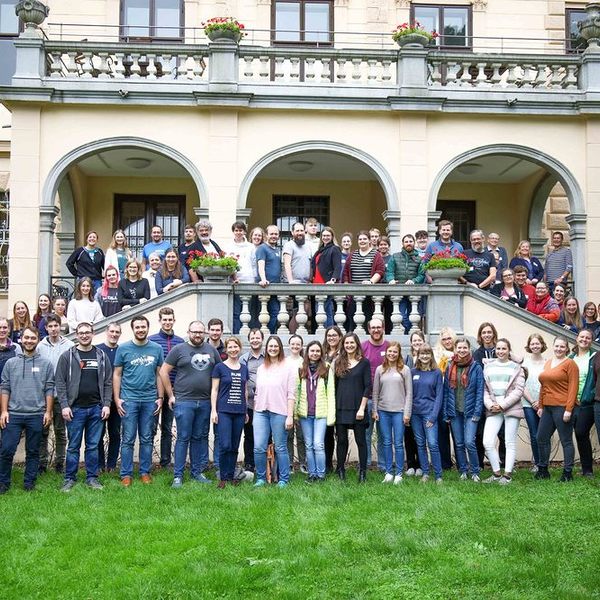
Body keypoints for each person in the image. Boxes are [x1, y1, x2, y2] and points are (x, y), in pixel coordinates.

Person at [160, 320, 221, 487]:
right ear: (188, 332)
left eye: (200, 332)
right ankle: (177, 476)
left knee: (198, 438)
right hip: (184, 401)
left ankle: (196, 472)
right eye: (194, 332)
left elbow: (220, 372)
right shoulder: (179, 349)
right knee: (183, 437)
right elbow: (163, 371)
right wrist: (170, 395)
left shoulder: (211, 350)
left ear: (205, 333)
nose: (197, 335)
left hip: (204, 402)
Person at [55, 322, 112, 491]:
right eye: (81, 333)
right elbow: (60, 382)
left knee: (93, 445)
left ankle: (92, 478)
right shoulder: (68, 356)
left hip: (96, 408)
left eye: (87, 332)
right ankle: (69, 479)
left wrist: (107, 404)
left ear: (93, 333)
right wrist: (64, 405)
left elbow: (108, 382)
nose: (84, 335)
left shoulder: (101, 355)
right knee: (73, 446)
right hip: (75, 409)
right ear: (76, 334)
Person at [0, 326, 54, 494]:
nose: (29, 341)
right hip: (13, 414)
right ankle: (3, 483)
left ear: (38, 340)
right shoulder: (11, 363)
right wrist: (3, 411)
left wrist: (48, 412)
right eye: (26, 338)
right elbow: (5, 387)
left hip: (36, 414)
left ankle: (29, 483)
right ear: (20, 339)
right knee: (7, 449)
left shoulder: (45, 364)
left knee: (33, 451)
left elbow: (49, 389)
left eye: (33, 338)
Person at [113, 316, 164, 486]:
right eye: (137, 327)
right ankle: (126, 474)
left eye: (143, 327)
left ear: (148, 328)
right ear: (132, 328)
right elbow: (117, 374)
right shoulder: (123, 348)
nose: (140, 329)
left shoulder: (156, 348)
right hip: (129, 399)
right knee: (127, 438)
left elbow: (159, 374)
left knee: (147, 438)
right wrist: (117, 398)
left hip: (150, 400)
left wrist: (160, 397)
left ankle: (145, 472)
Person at [253, 335, 296, 488]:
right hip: (260, 412)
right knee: (259, 446)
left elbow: (291, 394)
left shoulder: (288, 368)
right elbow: (258, 392)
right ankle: (261, 478)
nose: (272, 349)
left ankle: (283, 479)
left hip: (280, 412)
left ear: (280, 348)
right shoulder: (261, 368)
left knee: (280, 447)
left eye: (275, 346)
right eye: (270, 346)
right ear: (266, 348)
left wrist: (290, 416)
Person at [482, 339, 525, 485]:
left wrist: (503, 405)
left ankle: (507, 476)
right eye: (498, 349)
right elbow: (485, 390)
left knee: (509, 442)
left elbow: (519, 391)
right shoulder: (488, 367)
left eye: (504, 349)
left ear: (509, 350)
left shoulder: (517, 368)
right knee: (487, 441)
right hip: (493, 408)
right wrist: (490, 404)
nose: (500, 351)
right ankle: (496, 473)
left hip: (510, 407)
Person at [535, 336, 578, 481]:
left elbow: (573, 388)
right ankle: (543, 469)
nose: (559, 349)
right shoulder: (548, 363)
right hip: (547, 407)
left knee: (565, 440)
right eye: (557, 346)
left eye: (562, 347)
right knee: (541, 437)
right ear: (553, 346)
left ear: (567, 348)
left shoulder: (570, 364)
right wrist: (541, 405)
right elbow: (544, 386)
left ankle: (567, 473)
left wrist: (569, 409)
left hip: (562, 407)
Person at [37, 314, 74, 474]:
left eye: (55, 326)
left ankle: (60, 464)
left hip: (61, 396)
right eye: (50, 326)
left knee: (60, 431)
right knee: (42, 431)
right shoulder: (40, 346)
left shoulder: (69, 345)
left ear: (60, 326)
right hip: (43, 396)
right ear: (46, 328)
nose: (53, 329)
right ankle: (42, 464)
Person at [443, 337, 484, 482]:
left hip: (471, 410)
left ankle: (475, 471)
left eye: (464, 348)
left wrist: (478, 412)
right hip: (455, 411)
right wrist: (446, 412)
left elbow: (480, 391)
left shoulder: (476, 367)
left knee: (469, 442)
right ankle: (463, 470)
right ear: (455, 349)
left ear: (469, 349)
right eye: (459, 348)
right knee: (459, 443)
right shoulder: (450, 366)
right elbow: (446, 391)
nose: (462, 350)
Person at [210, 337, 249, 488]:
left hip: (239, 411)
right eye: (230, 347)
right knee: (224, 444)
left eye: (235, 346)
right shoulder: (220, 367)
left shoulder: (243, 368)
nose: (233, 349)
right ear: (226, 350)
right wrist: (214, 410)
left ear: (239, 348)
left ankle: (231, 475)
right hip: (224, 411)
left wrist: (245, 410)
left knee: (234, 445)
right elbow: (214, 390)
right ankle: (223, 476)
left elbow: (244, 390)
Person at [372, 342, 412, 484]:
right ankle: (389, 472)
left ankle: (399, 473)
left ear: (399, 353)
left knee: (398, 443)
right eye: (390, 351)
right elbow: (375, 392)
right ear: (386, 352)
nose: (392, 354)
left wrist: (407, 413)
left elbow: (409, 393)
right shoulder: (380, 369)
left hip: (399, 412)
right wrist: (374, 410)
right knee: (387, 442)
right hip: (383, 412)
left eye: (395, 352)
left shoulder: (405, 370)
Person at [149, 307, 184, 470]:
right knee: (150, 428)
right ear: (160, 321)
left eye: (170, 319)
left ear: (174, 320)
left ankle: (165, 462)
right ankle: (146, 462)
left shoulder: (180, 342)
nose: (168, 322)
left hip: (174, 391)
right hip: (154, 392)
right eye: (165, 319)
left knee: (168, 428)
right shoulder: (151, 340)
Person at [295, 341, 335, 483]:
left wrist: (331, 415)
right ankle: (312, 474)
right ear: (307, 353)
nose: (315, 353)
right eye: (312, 351)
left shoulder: (327, 369)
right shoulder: (301, 369)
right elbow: (297, 391)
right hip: (305, 414)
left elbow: (331, 392)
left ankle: (321, 474)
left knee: (318, 444)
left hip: (321, 413)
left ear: (321, 353)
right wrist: (295, 413)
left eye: (318, 351)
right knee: (309, 444)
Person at [334, 332, 371, 483]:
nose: (349, 345)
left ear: (357, 345)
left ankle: (362, 472)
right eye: (346, 343)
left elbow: (367, 386)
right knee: (341, 440)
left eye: (352, 343)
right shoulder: (338, 362)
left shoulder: (364, 362)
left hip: (358, 408)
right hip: (341, 407)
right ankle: (340, 469)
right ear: (343, 345)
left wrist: (362, 408)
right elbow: (335, 386)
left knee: (361, 440)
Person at [410, 343, 444, 484]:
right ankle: (425, 473)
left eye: (427, 353)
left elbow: (439, 396)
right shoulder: (413, 372)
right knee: (420, 443)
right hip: (415, 414)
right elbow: (409, 393)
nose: (424, 356)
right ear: (418, 356)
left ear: (431, 355)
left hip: (429, 414)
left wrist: (433, 416)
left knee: (433, 444)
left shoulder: (436, 373)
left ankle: (438, 475)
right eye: (422, 353)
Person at [342, 230, 385, 330]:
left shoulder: (376, 255)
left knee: (367, 322)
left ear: (369, 240)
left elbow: (380, 271)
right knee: (352, 322)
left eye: (365, 239)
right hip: (354, 295)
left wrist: (371, 282)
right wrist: (346, 285)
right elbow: (345, 273)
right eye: (360, 239)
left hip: (369, 296)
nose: (362, 241)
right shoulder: (352, 255)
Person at [361, 318, 388, 472]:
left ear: (383, 328)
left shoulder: (389, 347)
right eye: (373, 327)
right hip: (367, 397)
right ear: (369, 329)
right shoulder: (363, 347)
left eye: (379, 327)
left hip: (385, 399)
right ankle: (366, 462)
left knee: (383, 435)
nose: (376, 330)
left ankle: (383, 464)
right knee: (366, 433)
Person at [569, 329, 596, 478]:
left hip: (587, 403)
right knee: (580, 435)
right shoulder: (570, 357)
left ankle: (588, 470)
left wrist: (588, 396)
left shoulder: (595, 357)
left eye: (587, 337)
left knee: (581, 432)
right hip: (572, 403)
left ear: (591, 341)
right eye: (582, 337)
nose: (584, 339)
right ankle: (586, 469)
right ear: (577, 339)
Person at [386, 234, 425, 334]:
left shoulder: (419, 259)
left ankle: (408, 335)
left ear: (414, 243)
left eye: (410, 241)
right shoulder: (395, 257)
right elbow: (389, 271)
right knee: (401, 316)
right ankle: (406, 333)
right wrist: (391, 280)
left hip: (414, 292)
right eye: (406, 242)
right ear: (403, 244)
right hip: (399, 292)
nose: (408, 243)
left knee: (414, 316)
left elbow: (422, 274)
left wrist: (414, 281)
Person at [97, 322, 122, 473]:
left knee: (115, 433)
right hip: (100, 399)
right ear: (107, 332)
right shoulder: (98, 350)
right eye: (111, 331)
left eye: (117, 332)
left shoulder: (123, 350)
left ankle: (111, 465)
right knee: (98, 434)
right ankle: (100, 465)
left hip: (117, 400)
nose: (114, 334)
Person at [239, 328, 265, 471]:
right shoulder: (243, 359)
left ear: (262, 339)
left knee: (266, 437)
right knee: (249, 435)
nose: (255, 340)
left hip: (266, 404)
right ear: (249, 340)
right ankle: (249, 464)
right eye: (252, 338)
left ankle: (266, 465)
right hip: (249, 403)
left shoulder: (268, 357)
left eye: (257, 338)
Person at [522, 333, 547, 472]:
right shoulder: (524, 363)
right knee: (534, 433)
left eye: (537, 343)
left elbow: (548, 384)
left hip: (544, 403)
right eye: (532, 344)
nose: (535, 346)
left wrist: (541, 403)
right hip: (528, 403)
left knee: (543, 434)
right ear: (529, 346)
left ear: (542, 345)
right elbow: (521, 385)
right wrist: (532, 402)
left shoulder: (547, 363)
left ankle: (544, 462)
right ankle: (537, 463)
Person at [225, 221, 255, 334]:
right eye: (236, 230)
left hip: (249, 280)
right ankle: (237, 333)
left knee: (249, 310)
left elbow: (254, 264)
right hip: (235, 281)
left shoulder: (251, 247)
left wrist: (255, 279)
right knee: (236, 311)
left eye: (240, 230)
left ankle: (248, 334)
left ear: (244, 232)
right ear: (233, 232)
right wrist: (233, 277)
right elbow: (227, 264)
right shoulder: (228, 247)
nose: (238, 232)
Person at [311, 226, 342, 327]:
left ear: (332, 236)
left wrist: (333, 280)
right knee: (324, 310)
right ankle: (328, 331)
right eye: (324, 235)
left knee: (324, 310)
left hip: (326, 283)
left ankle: (328, 332)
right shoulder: (320, 250)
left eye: (328, 235)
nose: (325, 237)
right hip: (316, 284)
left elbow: (338, 267)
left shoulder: (334, 249)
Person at [403, 330, 424, 477]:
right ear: (411, 343)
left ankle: (421, 465)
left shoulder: (428, 358)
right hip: (408, 401)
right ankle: (411, 464)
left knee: (421, 436)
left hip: (422, 402)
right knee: (408, 434)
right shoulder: (407, 359)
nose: (417, 343)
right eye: (414, 341)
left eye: (419, 340)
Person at [322, 325, 342, 473]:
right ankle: (328, 464)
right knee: (327, 433)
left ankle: (340, 466)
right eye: (329, 335)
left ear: (340, 337)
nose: (332, 338)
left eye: (334, 335)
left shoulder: (344, 354)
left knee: (340, 434)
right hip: (324, 396)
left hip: (340, 395)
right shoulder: (322, 353)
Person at [256, 224, 282, 334]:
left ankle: (271, 334)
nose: (274, 236)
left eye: (276, 234)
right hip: (266, 287)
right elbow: (260, 265)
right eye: (271, 234)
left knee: (275, 313)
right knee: (266, 315)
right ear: (266, 235)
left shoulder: (276, 250)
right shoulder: (262, 248)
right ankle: (268, 335)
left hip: (276, 287)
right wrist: (263, 279)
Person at [286, 334, 306, 472]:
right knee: (288, 435)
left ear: (301, 346)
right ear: (289, 345)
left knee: (301, 436)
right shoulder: (284, 361)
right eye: (293, 344)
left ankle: (303, 463)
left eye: (298, 344)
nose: (295, 346)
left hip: (302, 402)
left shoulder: (304, 361)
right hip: (287, 403)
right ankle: (289, 463)